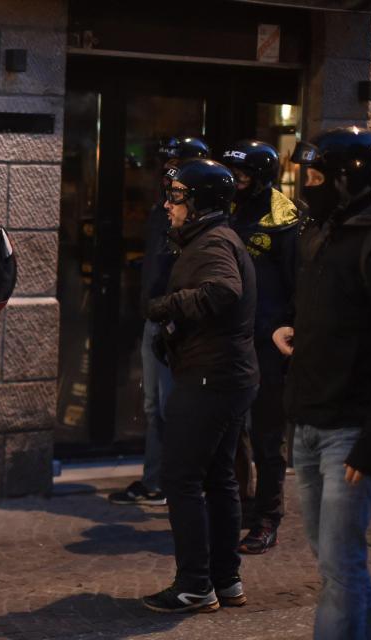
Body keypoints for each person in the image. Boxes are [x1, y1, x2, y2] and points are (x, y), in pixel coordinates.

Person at [275, 128, 371, 639]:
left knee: (340, 567)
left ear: (347, 180)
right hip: (311, 422)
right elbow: (333, 317)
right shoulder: (319, 234)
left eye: (316, 177)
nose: (306, 186)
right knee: (333, 563)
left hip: (350, 433)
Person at [141, 159, 259, 613]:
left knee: (183, 478)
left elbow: (223, 291)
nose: (169, 206)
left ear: (200, 204)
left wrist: (169, 307)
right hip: (225, 374)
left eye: (177, 197)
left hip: (211, 378)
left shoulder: (212, 242)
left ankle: (194, 584)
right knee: (218, 477)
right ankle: (225, 580)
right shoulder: (215, 238)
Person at [109, 136, 208, 507]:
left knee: (171, 407)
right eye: (163, 164)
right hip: (155, 317)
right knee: (154, 406)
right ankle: (156, 481)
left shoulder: (197, 218)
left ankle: (176, 483)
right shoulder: (161, 209)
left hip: (176, 323)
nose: (165, 173)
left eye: (173, 164)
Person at [222, 140, 299, 553]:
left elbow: (295, 284)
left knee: (269, 436)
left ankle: (269, 517)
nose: (236, 183)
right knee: (234, 431)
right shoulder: (227, 210)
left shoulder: (285, 220)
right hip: (232, 337)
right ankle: (244, 504)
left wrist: (287, 328)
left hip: (267, 341)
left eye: (243, 176)